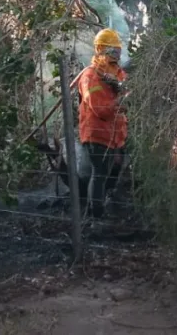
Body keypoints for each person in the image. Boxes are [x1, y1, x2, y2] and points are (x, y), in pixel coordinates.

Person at [77, 28, 129, 219]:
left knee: (114, 169)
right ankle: (95, 217)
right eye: (112, 50)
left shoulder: (118, 73)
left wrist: (125, 93)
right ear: (100, 49)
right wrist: (121, 103)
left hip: (116, 135)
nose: (116, 54)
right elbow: (99, 109)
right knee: (99, 174)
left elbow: (128, 93)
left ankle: (106, 204)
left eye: (117, 50)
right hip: (97, 133)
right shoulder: (90, 76)